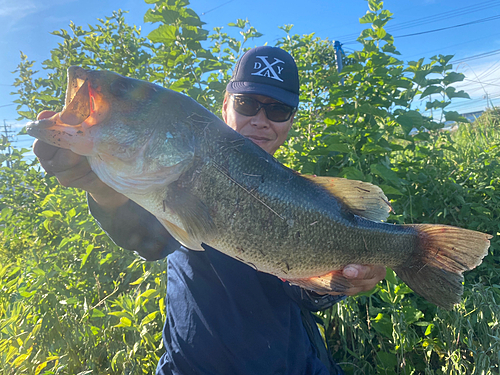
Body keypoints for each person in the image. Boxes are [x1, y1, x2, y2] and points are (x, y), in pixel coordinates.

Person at [34, 46, 386, 375]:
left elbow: (305, 293)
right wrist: (99, 187)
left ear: (291, 120)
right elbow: (150, 239)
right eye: (248, 104)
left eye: (278, 110)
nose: (261, 120)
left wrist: (348, 278)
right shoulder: (177, 173)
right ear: (225, 105)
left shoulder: (310, 196)